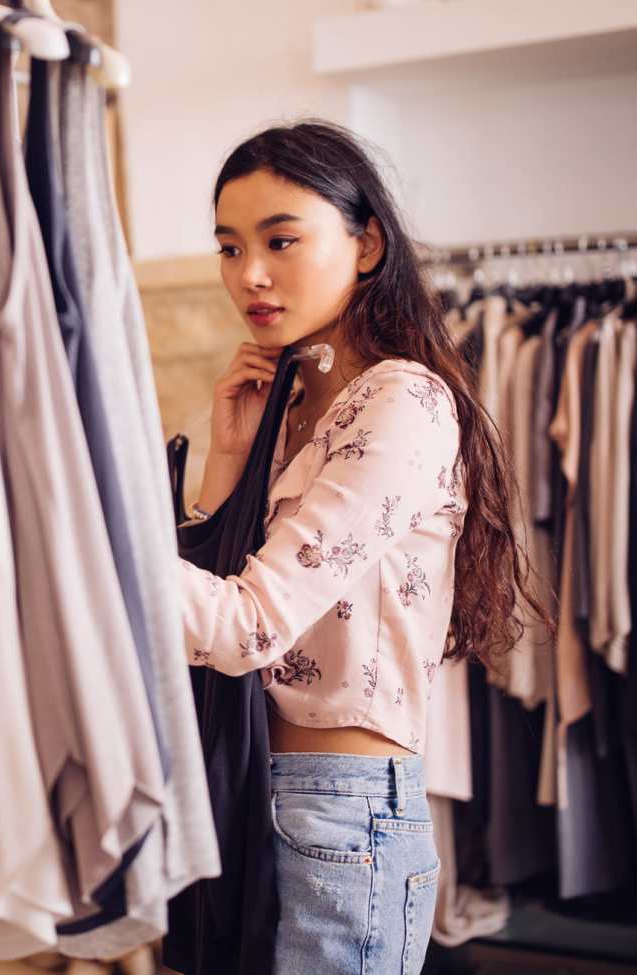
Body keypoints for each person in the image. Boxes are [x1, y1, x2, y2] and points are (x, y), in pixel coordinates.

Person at [176, 120, 548, 975]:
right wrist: (230, 458)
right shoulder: (292, 399)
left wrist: (91, 544)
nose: (249, 275)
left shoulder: (403, 401)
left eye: (281, 240)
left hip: (341, 815)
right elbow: (215, 614)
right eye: (229, 247)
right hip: (254, 792)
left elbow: (245, 626)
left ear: (368, 241)